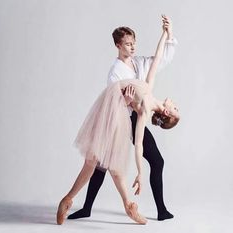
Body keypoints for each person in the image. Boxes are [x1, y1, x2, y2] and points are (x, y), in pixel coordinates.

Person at [67, 15, 178, 222]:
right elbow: (111, 103)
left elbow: (160, 59)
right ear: (118, 45)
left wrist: (168, 34)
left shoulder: (139, 64)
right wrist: (125, 102)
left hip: (137, 117)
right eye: (128, 44)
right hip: (119, 119)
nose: (132, 47)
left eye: (134, 43)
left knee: (156, 161)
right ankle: (87, 208)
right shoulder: (115, 72)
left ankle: (161, 210)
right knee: (100, 162)